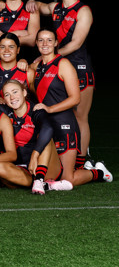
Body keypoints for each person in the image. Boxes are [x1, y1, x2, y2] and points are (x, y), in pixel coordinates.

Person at [25, 0, 94, 168]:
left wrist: (49, 57)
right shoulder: (56, 7)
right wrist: (31, 1)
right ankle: (63, 157)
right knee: (62, 114)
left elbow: (76, 43)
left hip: (79, 66)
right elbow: (39, 6)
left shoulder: (83, 10)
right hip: (57, 66)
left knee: (80, 116)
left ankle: (81, 161)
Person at [28, 29, 111, 186]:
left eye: (49, 40)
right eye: (41, 40)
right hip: (46, 127)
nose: (45, 44)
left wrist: (50, 109)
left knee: (67, 179)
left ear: (56, 43)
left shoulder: (63, 64)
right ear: (36, 43)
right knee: (51, 176)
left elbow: (75, 98)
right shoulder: (36, 66)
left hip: (65, 125)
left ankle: (99, 173)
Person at [0, 80, 66, 194]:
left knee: (44, 135)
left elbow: (48, 129)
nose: (12, 97)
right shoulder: (5, 111)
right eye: (7, 95)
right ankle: (46, 185)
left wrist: (34, 155)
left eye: (15, 92)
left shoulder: (35, 110)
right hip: (24, 169)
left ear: (24, 92)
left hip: (45, 166)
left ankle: (39, 179)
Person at [0, 32, 28, 100]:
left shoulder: (28, 72)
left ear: (18, 50)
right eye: (2, 47)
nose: (6, 50)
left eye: (11, 47)